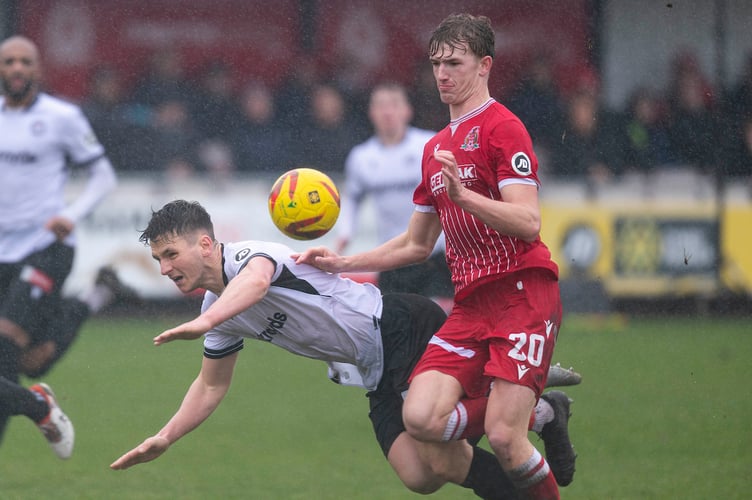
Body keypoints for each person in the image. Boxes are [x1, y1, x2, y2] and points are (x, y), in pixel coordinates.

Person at [110, 200, 580, 499]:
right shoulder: (219, 305)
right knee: (421, 477)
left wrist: (205, 321)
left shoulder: (249, 258)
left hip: (400, 327)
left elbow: (255, 284)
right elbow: (211, 386)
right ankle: (538, 412)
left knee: (441, 457)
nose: (164, 268)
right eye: (158, 260)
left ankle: (520, 407)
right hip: (374, 367)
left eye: (171, 254)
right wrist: (165, 437)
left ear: (207, 244)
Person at [296, 14, 575, 498]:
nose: (442, 74)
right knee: (420, 418)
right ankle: (539, 407)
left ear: (484, 65)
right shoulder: (434, 149)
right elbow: (416, 245)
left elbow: (528, 222)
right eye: (436, 64)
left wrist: (465, 197)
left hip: (521, 295)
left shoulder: (503, 128)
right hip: (471, 306)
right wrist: (342, 263)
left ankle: (525, 407)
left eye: (455, 63)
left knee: (507, 440)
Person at [0, 36, 122, 458]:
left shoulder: (62, 118)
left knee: (5, 340)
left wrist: (71, 215)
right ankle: (39, 404)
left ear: (37, 69)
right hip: (3, 251)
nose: (17, 68)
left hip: (46, 247)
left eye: (24, 62)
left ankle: (37, 408)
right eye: (9, 61)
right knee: (29, 362)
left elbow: (104, 176)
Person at [335, 82, 453, 303]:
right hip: (392, 256)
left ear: (407, 110)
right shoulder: (361, 157)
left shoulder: (429, 145)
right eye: (380, 106)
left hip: (435, 254)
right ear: (371, 113)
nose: (387, 112)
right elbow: (352, 201)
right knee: (397, 325)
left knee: (441, 323)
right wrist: (344, 235)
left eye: (394, 105)